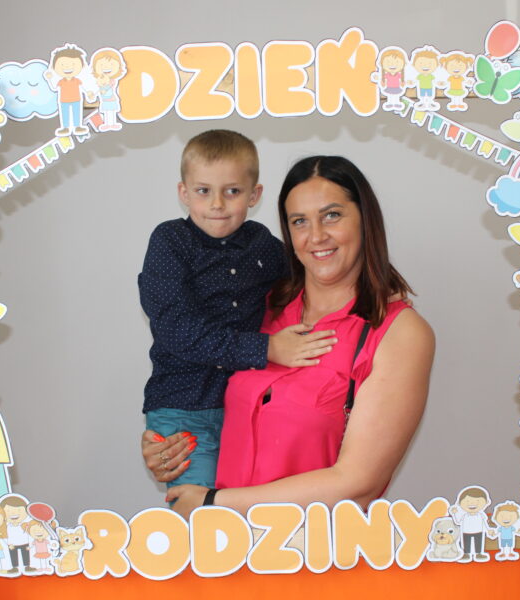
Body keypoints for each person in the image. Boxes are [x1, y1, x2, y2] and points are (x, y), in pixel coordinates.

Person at [142, 155, 434, 517]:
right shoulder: (261, 308)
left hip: (315, 547)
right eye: (299, 221)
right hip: (224, 544)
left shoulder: (398, 333)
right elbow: (205, 372)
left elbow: (358, 483)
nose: (316, 236)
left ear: (365, 219)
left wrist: (214, 502)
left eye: (332, 215)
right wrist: (171, 441)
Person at [139, 131, 337, 492]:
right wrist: (266, 348)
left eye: (232, 191)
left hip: (247, 408)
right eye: (203, 191)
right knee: (202, 512)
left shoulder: (261, 244)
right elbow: (178, 330)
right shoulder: (170, 242)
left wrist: (379, 286)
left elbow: (312, 277)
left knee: (249, 512)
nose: (217, 204)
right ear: (184, 193)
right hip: (184, 411)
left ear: (254, 195)